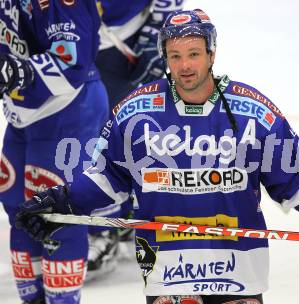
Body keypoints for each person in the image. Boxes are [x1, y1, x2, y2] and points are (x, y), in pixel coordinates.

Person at [15, 9, 299, 304]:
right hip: (167, 267)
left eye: (193, 54)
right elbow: (108, 177)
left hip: (238, 265)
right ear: (165, 57)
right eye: (175, 56)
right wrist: (62, 203)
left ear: (211, 54)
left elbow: (294, 178)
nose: (185, 66)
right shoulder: (135, 113)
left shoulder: (253, 113)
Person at [0, 1, 109, 303]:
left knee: (56, 216)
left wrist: (16, 72)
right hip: (22, 111)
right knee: (18, 210)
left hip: (68, 108)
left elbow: (71, 59)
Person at [84, 0, 186, 280]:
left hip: (120, 36)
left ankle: (105, 226)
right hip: (64, 33)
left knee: (109, 133)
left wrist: (159, 26)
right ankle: (113, 214)